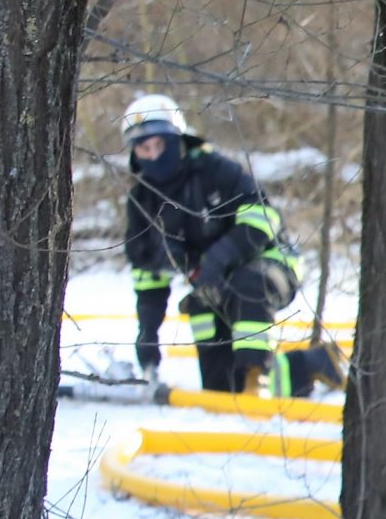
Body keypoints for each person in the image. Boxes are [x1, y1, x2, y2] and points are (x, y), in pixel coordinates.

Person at [121, 93, 302, 397]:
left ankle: (254, 383)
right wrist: (147, 335)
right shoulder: (143, 201)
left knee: (248, 283)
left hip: (269, 269)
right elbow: (147, 272)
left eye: (159, 145)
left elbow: (263, 219)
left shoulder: (214, 170)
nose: (152, 156)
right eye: (143, 148)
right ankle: (301, 368)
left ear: (177, 139)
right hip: (209, 287)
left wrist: (218, 259)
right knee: (214, 369)